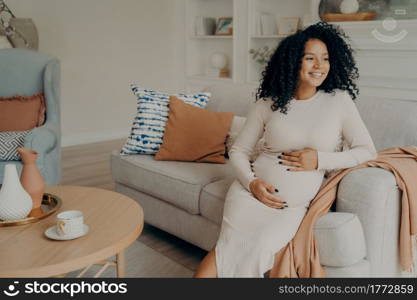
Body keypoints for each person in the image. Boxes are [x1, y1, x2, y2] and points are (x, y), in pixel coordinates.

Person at [193, 22, 377, 278]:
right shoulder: (267, 103)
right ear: (293, 62)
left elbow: (367, 151)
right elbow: (239, 151)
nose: (319, 66)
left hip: (289, 208)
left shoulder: (338, 101)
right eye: (310, 58)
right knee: (225, 250)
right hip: (248, 197)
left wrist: (319, 160)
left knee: (260, 249)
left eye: (325, 59)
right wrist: (252, 183)